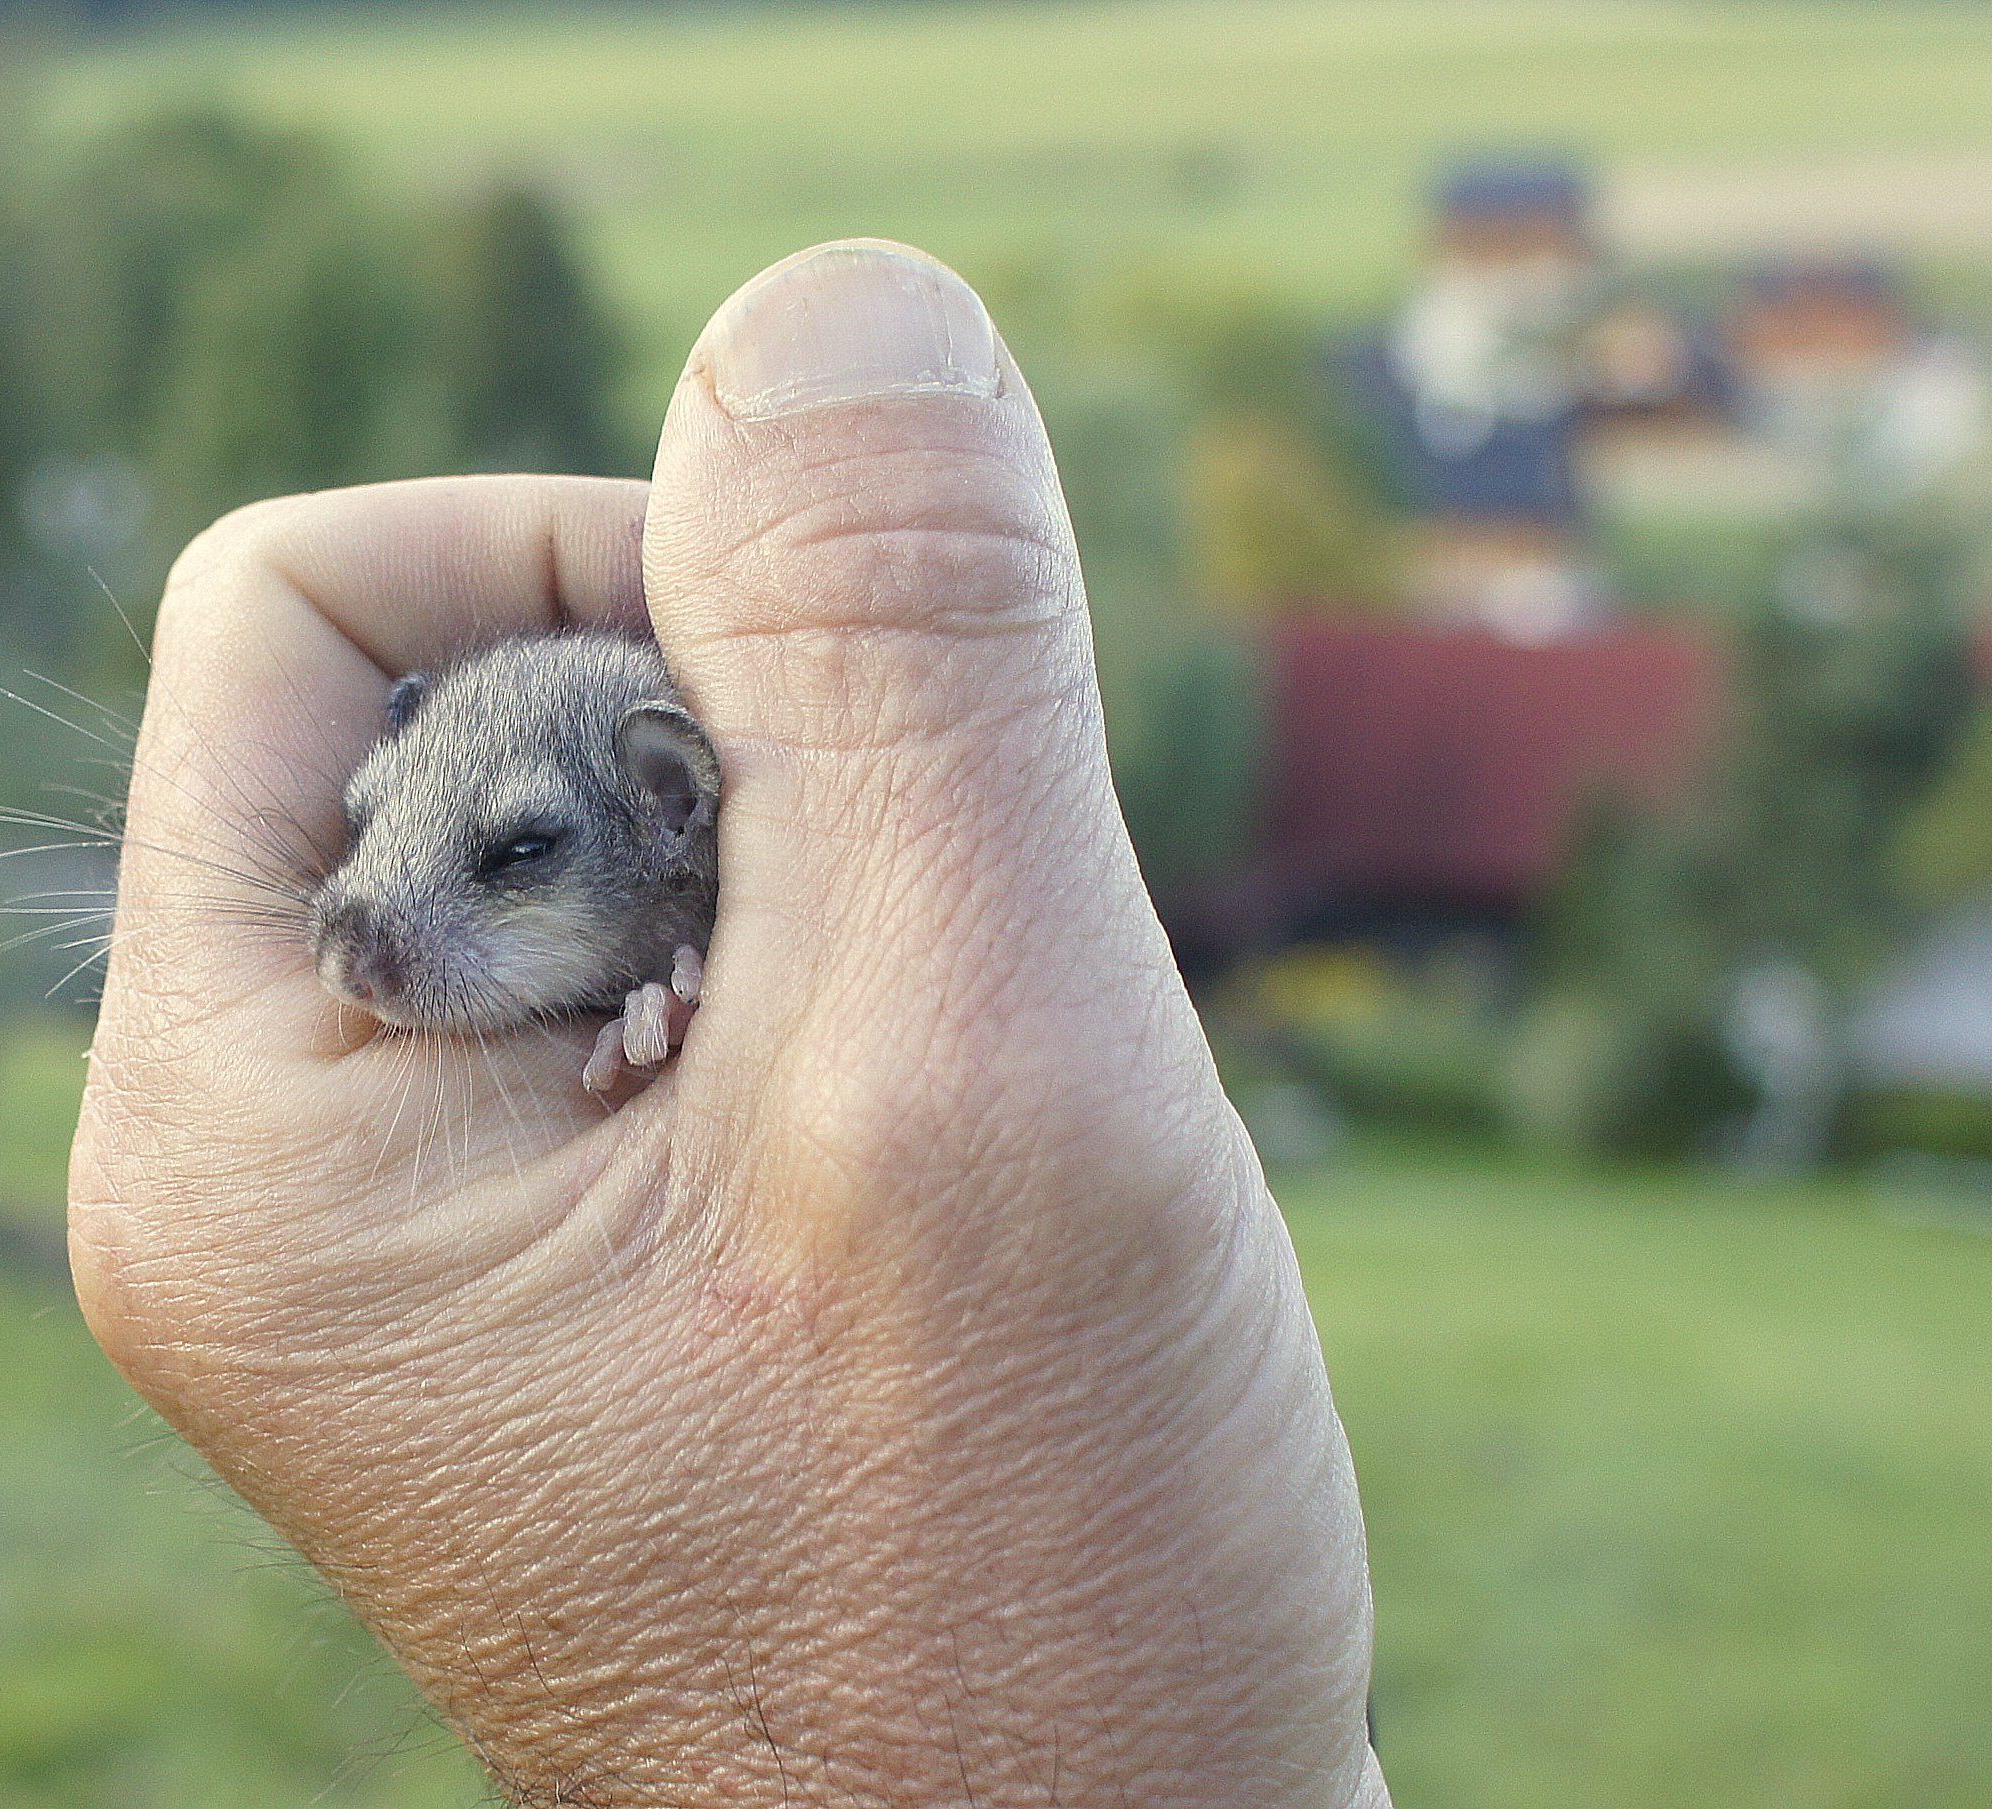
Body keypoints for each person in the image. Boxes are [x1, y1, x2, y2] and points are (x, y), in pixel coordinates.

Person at [69, 240, 1388, 1809]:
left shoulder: (743, 917)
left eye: (512, 857)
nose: (361, 930)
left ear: (672, 810)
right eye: (372, 826)